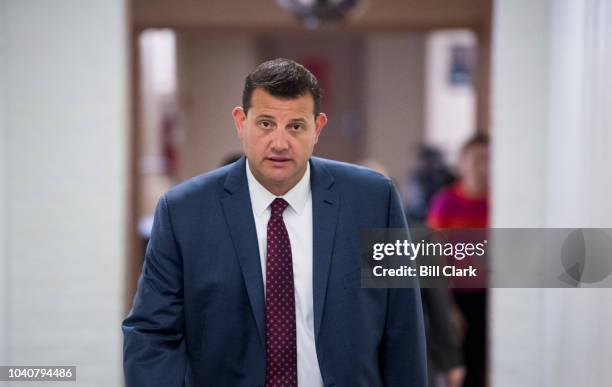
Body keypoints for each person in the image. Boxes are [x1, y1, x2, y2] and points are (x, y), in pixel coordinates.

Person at [122, 58, 427, 387]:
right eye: (266, 124)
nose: (280, 143)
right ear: (241, 122)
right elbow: (152, 334)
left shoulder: (372, 200)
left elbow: (403, 328)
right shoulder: (184, 212)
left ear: (317, 128)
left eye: (295, 126)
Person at [427, 134, 489, 387]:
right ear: (462, 163)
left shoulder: (500, 202)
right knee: (458, 366)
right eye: (478, 159)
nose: (484, 165)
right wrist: (448, 308)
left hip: (490, 294)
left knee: (482, 364)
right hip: (457, 295)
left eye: (489, 159)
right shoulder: (446, 203)